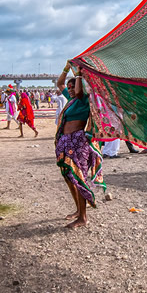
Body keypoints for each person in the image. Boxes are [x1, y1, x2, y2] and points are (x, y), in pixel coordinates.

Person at [55, 63, 103, 229]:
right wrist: (66, 68)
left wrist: (79, 73)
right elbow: (59, 83)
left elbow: (79, 89)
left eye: (73, 86)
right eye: (69, 87)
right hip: (65, 141)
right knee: (68, 177)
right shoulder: (71, 100)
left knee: (78, 178)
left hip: (78, 141)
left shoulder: (83, 99)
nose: (70, 89)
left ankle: (83, 217)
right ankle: (78, 210)